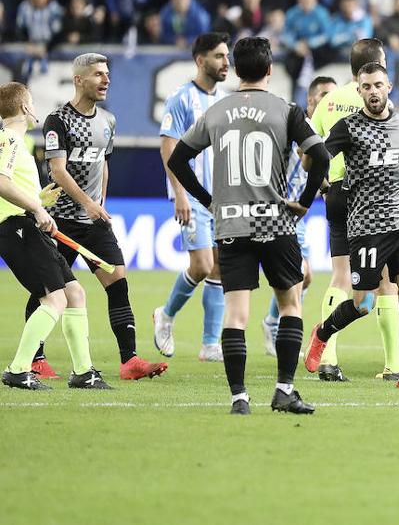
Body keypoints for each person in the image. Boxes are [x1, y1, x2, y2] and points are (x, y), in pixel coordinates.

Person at [167, 37, 331, 414]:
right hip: (275, 223)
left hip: (231, 226)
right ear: (271, 70)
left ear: (236, 70)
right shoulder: (287, 110)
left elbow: (177, 161)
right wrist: (304, 203)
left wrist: (209, 200)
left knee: (236, 313)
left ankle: (239, 398)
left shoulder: (217, 111)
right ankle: (283, 390)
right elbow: (320, 157)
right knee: (290, 306)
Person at [30, 54, 167, 381]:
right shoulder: (58, 120)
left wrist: (100, 202)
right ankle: (35, 359)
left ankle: (129, 361)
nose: (105, 80)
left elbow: (102, 163)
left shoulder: (108, 120)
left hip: (94, 222)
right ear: (79, 80)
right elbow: (57, 170)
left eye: (107, 74)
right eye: (97, 75)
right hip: (60, 221)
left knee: (118, 283)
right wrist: (87, 203)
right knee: (50, 290)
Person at [303, 62, 399, 391]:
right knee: (364, 303)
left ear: (388, 86)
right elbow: (315, 158)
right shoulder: (348, 127)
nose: (373, 91)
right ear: (359, 90)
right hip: (366, 225)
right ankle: (323, 332)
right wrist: (318, 182)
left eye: (378, 85)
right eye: (366, 87)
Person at [0, 82, 111, 391]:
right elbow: (1, 182)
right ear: (24, 108)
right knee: (54, 298)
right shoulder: (9, 139)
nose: (35, 108)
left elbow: (12, 188)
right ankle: (18, 369)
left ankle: (83, 372)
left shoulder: (15, 142)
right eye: (32, 103)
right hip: (17, 227)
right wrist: (37, 208)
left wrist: (40, 199)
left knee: (75, 293)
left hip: (25, 224)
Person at [308, 38, 389, 381]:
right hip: (371, 197)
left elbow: (309, 147)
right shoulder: (378, 98)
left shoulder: (328, 102)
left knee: (340, 276)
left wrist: (321, 184)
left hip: (336, 194)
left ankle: (328, 357)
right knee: (386, 283)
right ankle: (394, 366)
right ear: (377, 62)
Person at [153, 33, 231, 362]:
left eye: (227, 55)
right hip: (193, 197)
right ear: (200, 60)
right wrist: (180, 194)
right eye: (218, 56)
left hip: (222, 198)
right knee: (201, 265)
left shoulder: (226, 100)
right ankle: (165, 315)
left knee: (220, 269)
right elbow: (169, 147)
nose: (226, 62)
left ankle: (210, 343)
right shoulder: (181, 98)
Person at [262, 76, 336, 357]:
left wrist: (326, 188)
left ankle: (273, 322)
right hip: (279, 207)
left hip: (298, 213)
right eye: (324, 96)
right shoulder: (292, 121)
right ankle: (281, 327)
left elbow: (312, 169)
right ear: (311, 100)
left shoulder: (325, 130)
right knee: (300, 274)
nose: (329, 102)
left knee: (304, 278)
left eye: (333, 97)